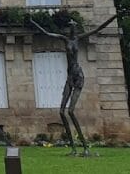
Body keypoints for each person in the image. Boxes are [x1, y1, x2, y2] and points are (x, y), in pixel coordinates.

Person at [30, 14, 117, 155]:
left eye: (73, 28)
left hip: (78, 77)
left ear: (75, 30)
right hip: (69, 77)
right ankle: (73, 148)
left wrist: (114, 16)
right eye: (70, 27)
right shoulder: (64, 40)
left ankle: (85, 147)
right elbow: (46, 33)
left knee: (70, 111)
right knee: (61, 112)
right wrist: (33, 21)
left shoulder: (79, 39)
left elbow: (98, 28)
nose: (72, 30)